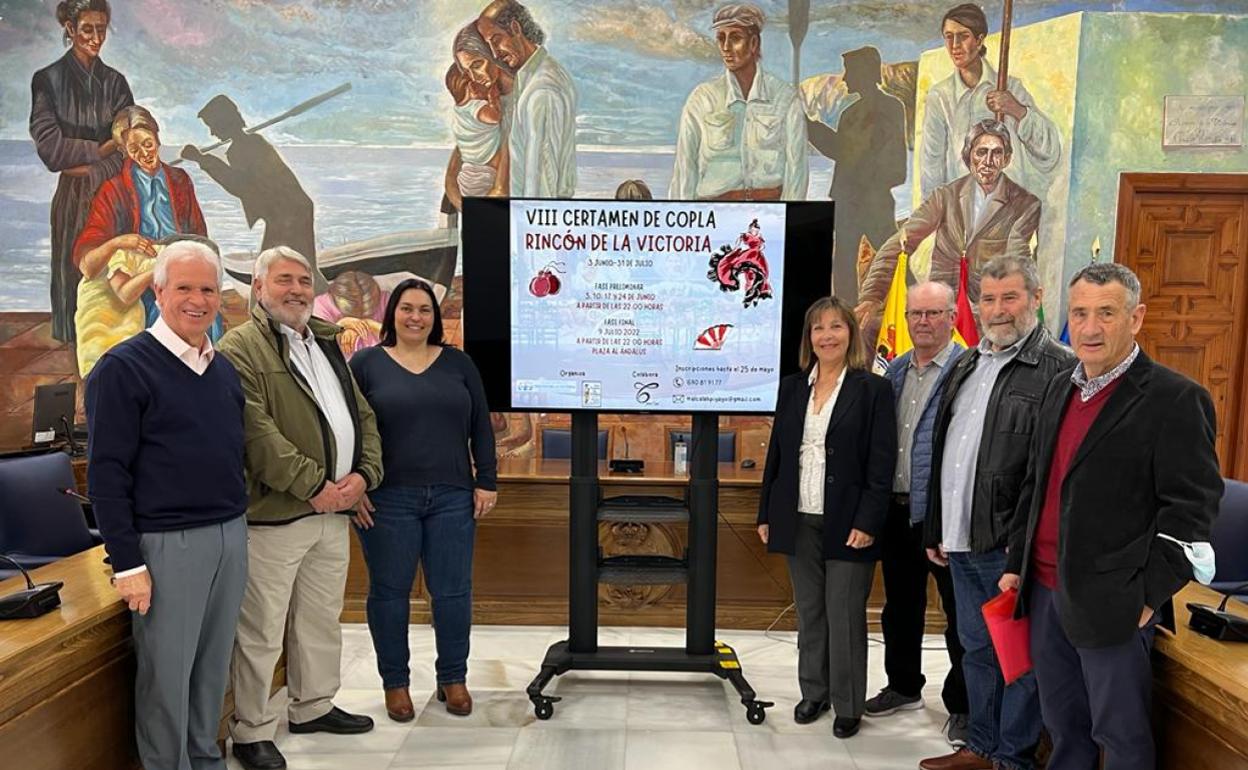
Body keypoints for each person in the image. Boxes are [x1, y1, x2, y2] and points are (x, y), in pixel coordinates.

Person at [1000, 263, 1222, 770]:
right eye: (1079, 313)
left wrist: (1147, 598)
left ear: (1136, 318)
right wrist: (1018, 562)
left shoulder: (1175, 399)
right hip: (1045, 593)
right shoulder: (1061, 387)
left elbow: (1191, 513)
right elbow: (1039, 482)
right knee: (1063, 729)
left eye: (1107, 313)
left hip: (1114, 604)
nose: (1091, 327)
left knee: (1119, 737)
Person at [217, 246, 383, 770]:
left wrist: (363, 476)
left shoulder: (327, 343)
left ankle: (312, 706)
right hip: (276, 515)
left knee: (320, 618)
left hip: (333, 513)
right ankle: (251, 730)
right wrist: (316, 486)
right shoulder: (240, 347)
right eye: (283, 280)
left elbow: (362, 416)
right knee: (262, 628)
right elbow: (256, 434)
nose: (296, 289)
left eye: (304, 280)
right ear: (259, 289)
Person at [85, 240, 247, 770]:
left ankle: (205, 760)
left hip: (229, 536)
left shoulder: (222, 371)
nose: (198, 300)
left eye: (208, 289)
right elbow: (107, 474)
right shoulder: (123, 368)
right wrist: (128, 563)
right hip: (167, 545)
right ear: (157, 293)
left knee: (210, 672)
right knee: (167, 677)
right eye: (184, 288)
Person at [919, 256, 1074, 770]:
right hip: (962, 541)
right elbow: (944, 451)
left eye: (1010, 297)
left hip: (1010, 547)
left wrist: (1022, 547)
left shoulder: (1058, 367)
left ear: (1034, 297)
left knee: (1018, 658)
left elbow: (1049, 471)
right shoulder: (967, 361)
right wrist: (938, 526)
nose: (997, 309)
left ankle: (1012, 757)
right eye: (987, 298)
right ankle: (980, 747)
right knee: (976, 650)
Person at [349, 278, 498, 722]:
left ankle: (453, 678)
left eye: (425, 310)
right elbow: (349, 428)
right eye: (407, 308)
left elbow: (481, 426)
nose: (416, 317)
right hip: (386, 499)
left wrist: (486, 479)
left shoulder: (459, 364)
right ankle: (395, 684)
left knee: (453, 593)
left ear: (435, 317)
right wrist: (355, 485)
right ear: (392, 312)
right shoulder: (366, 364)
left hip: (453, 496)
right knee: (389, 594)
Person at [756, 296, 897, 739]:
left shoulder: (872, 389)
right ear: (809, 338)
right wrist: (767, 512)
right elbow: (778, 454)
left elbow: (881, 463)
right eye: (818, 328)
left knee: (845, 615)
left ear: (850, 334)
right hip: (798, 516)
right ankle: (813, 692)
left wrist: (869, 521)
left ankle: (848, 704)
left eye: (836, 326)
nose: (827, 335)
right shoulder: (792, 387)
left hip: (850, 521)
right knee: (811, 612)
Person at [869, 282, 969, 745]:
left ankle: (963, 704)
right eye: (915, 314)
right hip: (897, 510)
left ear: (952, 316)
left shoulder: (967, 371)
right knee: (900, 608)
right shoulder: (895, 371)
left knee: (958, 615)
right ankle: (904, 686)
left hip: (943, 518)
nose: (923, 322)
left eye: (933, 313)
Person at [855, 120, 1040, 330]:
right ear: (968, 155)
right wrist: (872, 296)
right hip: (939, 310)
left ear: (1006, 159)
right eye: (981, 152)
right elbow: (902, 241)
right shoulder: (946, 196)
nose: (988, 161)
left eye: (996, 153)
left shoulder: (1025, 205)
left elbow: (1016, 262)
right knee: (872, 333)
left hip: (985, 317)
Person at [73, 105, 215, 376]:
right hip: (144, 276)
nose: (145, 154)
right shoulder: (113, 190)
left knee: (209, 317)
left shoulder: (179, 180)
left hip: (182, 265)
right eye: (133, 150)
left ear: (158, 139)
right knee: (158, 321)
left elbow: (199, 235)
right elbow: (88, 260)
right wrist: (120, 242)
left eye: (148, 144)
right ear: (124, 152)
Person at [29, 0, 133, 343]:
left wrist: (93, 164)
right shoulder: (47, 80)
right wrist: (103, 149)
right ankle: (73, 355)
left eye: (101, 29)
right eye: (87, 29)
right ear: (70, 29)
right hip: (72, 198)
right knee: (71, 279)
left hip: (110, 196)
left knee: (113, 281)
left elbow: (128, 143)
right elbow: (51, 150)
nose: (95, 37)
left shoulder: (116, 83)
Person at [181, 95, 329, 293]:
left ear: (224, 122)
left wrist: (202, 159)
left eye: (213, 125)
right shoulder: (248, 144)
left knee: (276, 273)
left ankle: (275, 312)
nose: (212, 132)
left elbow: (239, 185)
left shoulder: (244, 147)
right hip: (289, 212)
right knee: (294, 268)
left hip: (288, 214)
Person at [919, 3, 1060, 203]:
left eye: (963, 36)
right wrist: (935, 215)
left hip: (1007, 209)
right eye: (949, 37)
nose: (954, 45)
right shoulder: (940, 96)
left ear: (979, 40)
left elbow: (1050, 151)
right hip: (961, 211)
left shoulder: (1010, 87)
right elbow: (931, 164)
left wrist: (1017, 110)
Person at [670, 3, 808, 201]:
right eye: (720, 38)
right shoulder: (702, 99)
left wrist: (791, 223)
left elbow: (797, 172)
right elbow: (685, 171)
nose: (726, 47)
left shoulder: (784, 98)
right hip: (714, 216)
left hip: (767, 216)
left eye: (735, 38)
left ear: (753, 44)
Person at [807, 45, 907, 304]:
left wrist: (867, 179)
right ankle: (846, 316)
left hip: (872, 201)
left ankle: (920, 305)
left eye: (849, 71)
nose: (844, 78)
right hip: (847, 201)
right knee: (843, 267)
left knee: (894, 260)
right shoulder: (849, 114)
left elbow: (893, 163)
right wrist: (808, 126)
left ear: (864, 73)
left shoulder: (890, 108)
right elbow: (841, 151)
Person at [476, 0, 577, 198]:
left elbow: (541, 184)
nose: (495, 53)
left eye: (496, 40)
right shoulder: (533, 78)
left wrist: (527, 224)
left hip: (536, 220)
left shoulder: (542, 88)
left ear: (515, 28)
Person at [444, 23, 513, 210]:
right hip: (481, 197)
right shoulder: (481, 106)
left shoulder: (523, 97)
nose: (474, 77)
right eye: (467, 72)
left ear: (494, 54)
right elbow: (458, 160)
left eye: (477, 64)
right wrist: (464, 205)